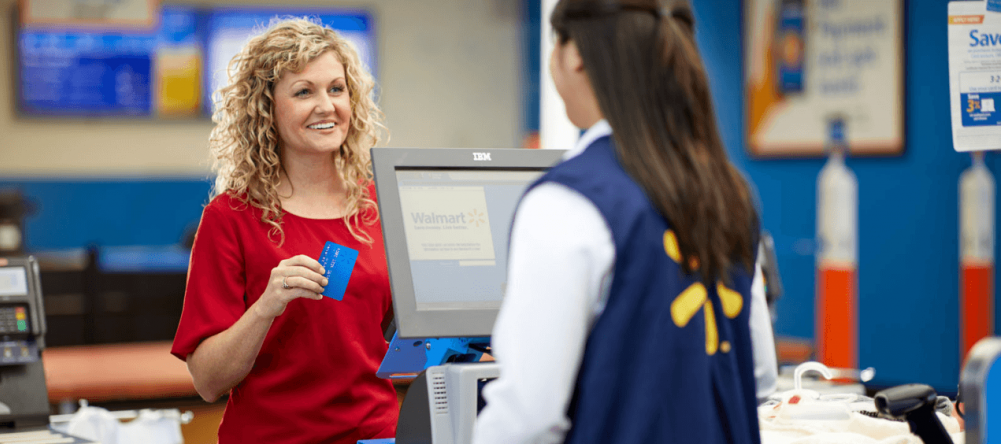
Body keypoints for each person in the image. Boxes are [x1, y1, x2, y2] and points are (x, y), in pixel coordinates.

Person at [472, 0, 775, 443]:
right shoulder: (731, 192)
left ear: (573, 53)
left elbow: (528, 419)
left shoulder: (568, 200)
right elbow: (760, 377)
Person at [170, 19, 397, 443]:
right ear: (266, 109)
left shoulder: (381, 206)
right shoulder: (230, 217)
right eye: (303, 92)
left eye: (336, 88)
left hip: (373, 434)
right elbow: (207, 381)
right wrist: (265, 307)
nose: (326, 105)